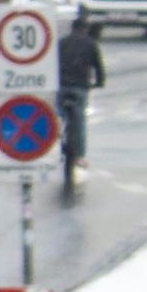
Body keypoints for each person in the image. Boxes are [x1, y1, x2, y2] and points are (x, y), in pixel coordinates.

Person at [56, 17, 106, 179]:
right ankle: (80, 156)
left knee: (58, 115)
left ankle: (55, 140)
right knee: (80, 120)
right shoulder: (91, 44)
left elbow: (52, 63)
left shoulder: (62, 42)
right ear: (85, 29)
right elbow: (99, 67)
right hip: (80, 87)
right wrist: (99, 82)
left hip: (62, 86)